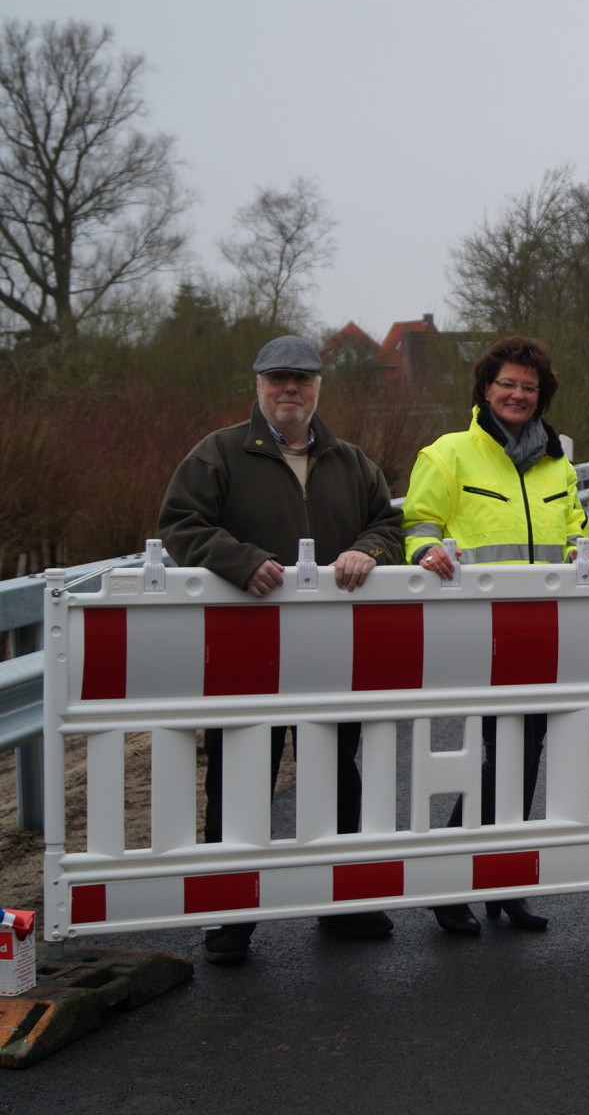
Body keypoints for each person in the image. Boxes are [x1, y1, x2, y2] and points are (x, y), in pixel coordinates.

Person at [158, 335, 403, 964]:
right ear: (258, 385)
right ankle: (230, 916)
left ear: (319, 386)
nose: (289, 390)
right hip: (246, 650)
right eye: (277, 380)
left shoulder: (349, 461)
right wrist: (241, 562)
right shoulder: (219, 455)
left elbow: (388, 524)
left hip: (330, 653)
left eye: (301, 379)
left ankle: (344, 901)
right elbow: (181, 524)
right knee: (239, 777)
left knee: (337, 773)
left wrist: (367, 551)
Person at [404, 335, 589, 936]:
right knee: (491, 760)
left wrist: (587, 554)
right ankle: (448, 880)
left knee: (524, 757)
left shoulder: (557, 462)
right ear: (486, 390)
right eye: (508, 385)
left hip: (544, 628)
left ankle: (503, 884)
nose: (519, 395)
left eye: (529, 387)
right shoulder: (448, 454)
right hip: (478, 629)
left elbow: (575, 528)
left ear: (541, 395)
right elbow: (419, 520)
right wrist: (423, 551)